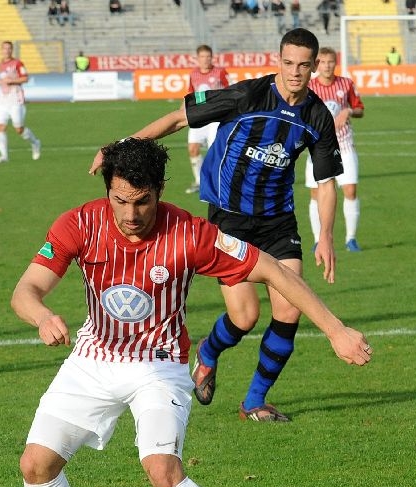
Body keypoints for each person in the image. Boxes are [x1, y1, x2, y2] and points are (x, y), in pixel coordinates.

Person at [13, 137, 372, 487]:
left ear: (159, 190)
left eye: (142, 201)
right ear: (107, 191)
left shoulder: (191, 232)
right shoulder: (79, 222)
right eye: (120, 199)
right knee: (35, 466)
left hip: (158, 365)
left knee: (162, 468)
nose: (132, 213)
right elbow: (26, 289)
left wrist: (335, 329)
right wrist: (40, 316)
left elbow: (271, 271)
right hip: (92, 360)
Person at [91, 29, 342, 422]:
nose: (296, 72)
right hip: (229, 218)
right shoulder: (246, 95)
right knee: (245, 317)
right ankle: (209, 352)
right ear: (279, 60)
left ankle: (254, 401)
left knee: (290, 310)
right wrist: (118, 149)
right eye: (289, 63)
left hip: (278, 221)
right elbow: (178, 119)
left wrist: (326, 235)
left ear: (314, 66)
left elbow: (326, 183)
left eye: (304, 65)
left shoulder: (317, 117)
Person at [305, 46, 364, 252]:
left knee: (350, 190)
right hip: (318, 148)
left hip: (345, 145)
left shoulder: (346, 84)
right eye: (323, 62)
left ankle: (351, 238)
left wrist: (348, 110)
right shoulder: (309, 86)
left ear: (335, 63)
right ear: (316, 64)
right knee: (316, 194)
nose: (327, 66)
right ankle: (316, 239)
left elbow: (360, 109)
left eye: (331, 62)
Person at [0, 41, 42, 164]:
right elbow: (3, 81)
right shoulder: (1, 64)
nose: (7, 51)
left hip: (15, 98)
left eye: (9, 48)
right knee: (0, 126)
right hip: (3, 98)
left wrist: (12, 80)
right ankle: (4, 156)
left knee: (19, 129)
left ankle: (35, 142)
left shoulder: (17, 63)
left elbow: (25, 78)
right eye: (5, 48)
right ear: (1, 50)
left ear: (12, 50)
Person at [184, 45, 229, 195]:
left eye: (208, 56)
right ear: (197, 58)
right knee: (192, 149)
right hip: (199, 116)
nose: (205, 60)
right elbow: (190, 95)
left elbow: (230, 91)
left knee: (214, 151)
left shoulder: (220, 72)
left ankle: (217, 181)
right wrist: (182, 112)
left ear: (212, 57)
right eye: (202, 57)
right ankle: (199, 181)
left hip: (215, 118)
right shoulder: (193, 75)